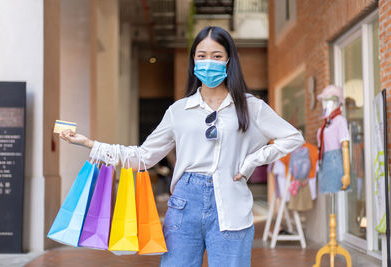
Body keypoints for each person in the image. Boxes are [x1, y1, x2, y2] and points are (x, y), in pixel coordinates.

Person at [60, 26, 304, 267]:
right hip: (184, 203)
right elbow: (143, 156)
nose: (208, 62)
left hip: (232, 203)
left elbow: (293, 137)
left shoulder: (251, 107)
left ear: (229, 60)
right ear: (194, 61)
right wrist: (91, 144)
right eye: (202, 55)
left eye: (216, 56)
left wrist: (252, 160)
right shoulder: (179, 111)